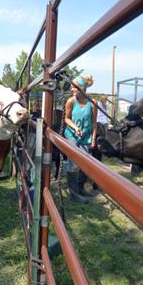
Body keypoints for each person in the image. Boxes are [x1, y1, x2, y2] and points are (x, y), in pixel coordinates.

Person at [64, 75, 98, 204]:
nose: (72, 89)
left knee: (84, 163)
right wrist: (75, 127)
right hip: (72, 134)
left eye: (75, 87)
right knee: (73, 163)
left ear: (83, 88)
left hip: (86, 137)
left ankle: (79, 188)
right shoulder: (71, 101)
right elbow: (67, 118)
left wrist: (93, 139)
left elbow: (94, 123)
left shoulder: (93, 103)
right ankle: (73, 194)